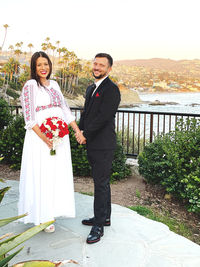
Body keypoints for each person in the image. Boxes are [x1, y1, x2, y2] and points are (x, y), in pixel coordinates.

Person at [18, 51, 81, 232]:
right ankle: (41, 217)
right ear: (34, 67)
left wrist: (76, 131)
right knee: (41, 173)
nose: (43, 68)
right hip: (40, 138)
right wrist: (45, 138)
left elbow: (66, 110)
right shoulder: (30, 85)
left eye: (46, 64)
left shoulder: (54, 84)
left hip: (59, 138)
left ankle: (51, 212)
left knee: (55, 174)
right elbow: (29, 118)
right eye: (39, 65)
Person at [76, 53, 121, 243]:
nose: (97, 67)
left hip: (103, 145)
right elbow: (86, 113)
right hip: (92, 143)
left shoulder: (112, 90)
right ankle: (105, 217)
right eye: (95, 64)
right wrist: (79, 130)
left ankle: (98, 226)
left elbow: (103, 117)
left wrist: (85, 134)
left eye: (101, 65)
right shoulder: (90, 89)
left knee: (100, 184)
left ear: (109, 69)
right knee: (102, 182)